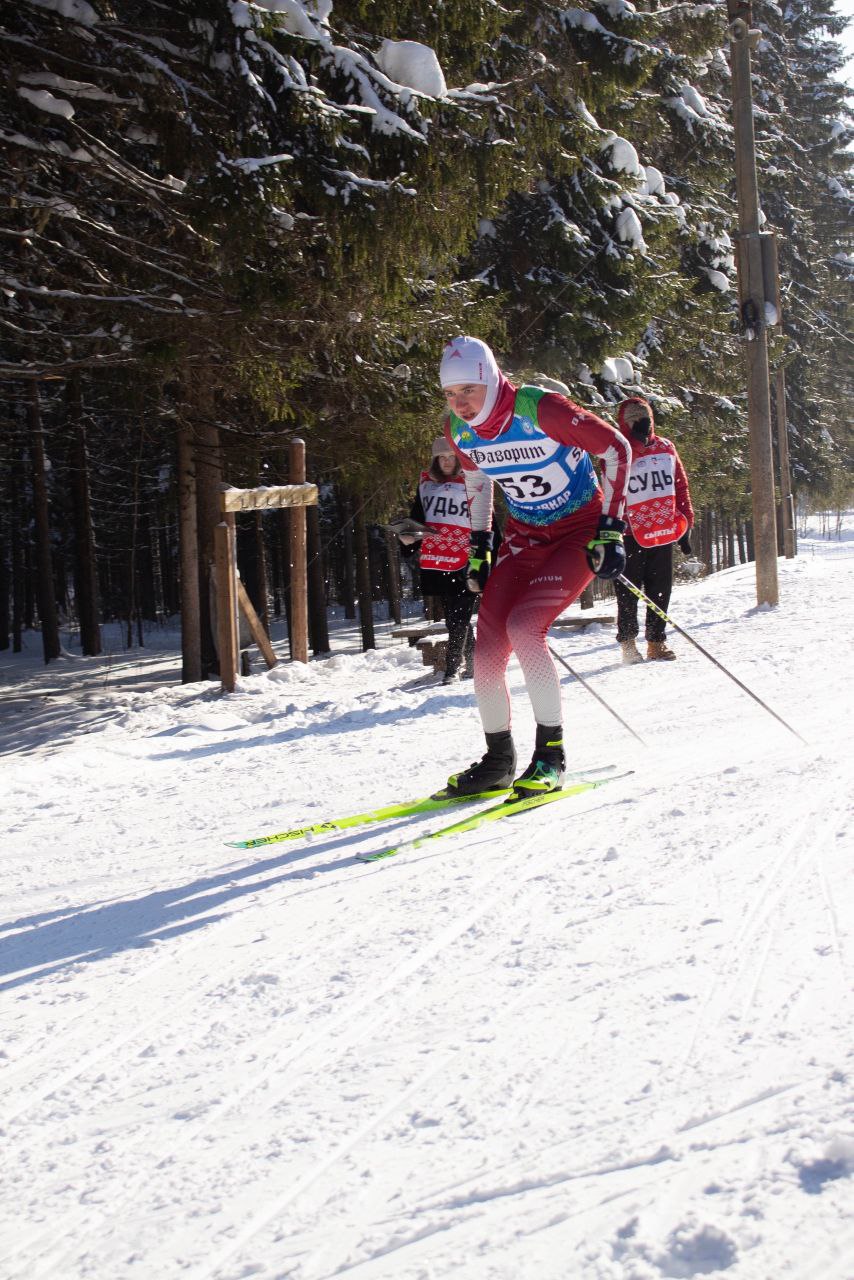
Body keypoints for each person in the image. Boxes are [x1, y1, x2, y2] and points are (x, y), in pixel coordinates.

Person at [438, 334, 632, 796]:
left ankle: (550, 754)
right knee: (486, 649)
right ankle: (498, 759)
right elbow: (478, 481)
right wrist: (480, 546)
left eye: (469, 390)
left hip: (576, 531)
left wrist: (611, 528)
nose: (460, 403)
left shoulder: (539, 409)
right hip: (525, 538)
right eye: (450, 393)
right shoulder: (458, 430)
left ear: (489, 378)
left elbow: (617, 449)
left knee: (526, 627)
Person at [613, 396, 695, 664]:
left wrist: (686, 523)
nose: (641, 424)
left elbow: (680, 485)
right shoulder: (618, 449)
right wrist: (635, 443)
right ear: (625, 424)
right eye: (634, 420)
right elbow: (610, 477)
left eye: (644, 418)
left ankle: (656, 642)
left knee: (660, 589)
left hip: (662, 528)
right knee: (628, 592)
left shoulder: (666, 447)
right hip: (628, 532)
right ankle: (627, 643)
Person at [399, 437, 479, 684]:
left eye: (451, 457)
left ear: (458, 458)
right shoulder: (426, 485)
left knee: (459, 615)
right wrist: (408, 538)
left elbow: (488, 522)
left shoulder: (473, 482)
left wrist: (484, 559)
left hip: (466, 557)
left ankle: (453, 668)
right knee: (455, 616)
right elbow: (418, 518)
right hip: (436, 558)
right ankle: (473, 662)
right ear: (435, 460)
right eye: (441, 458)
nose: (446, 462)